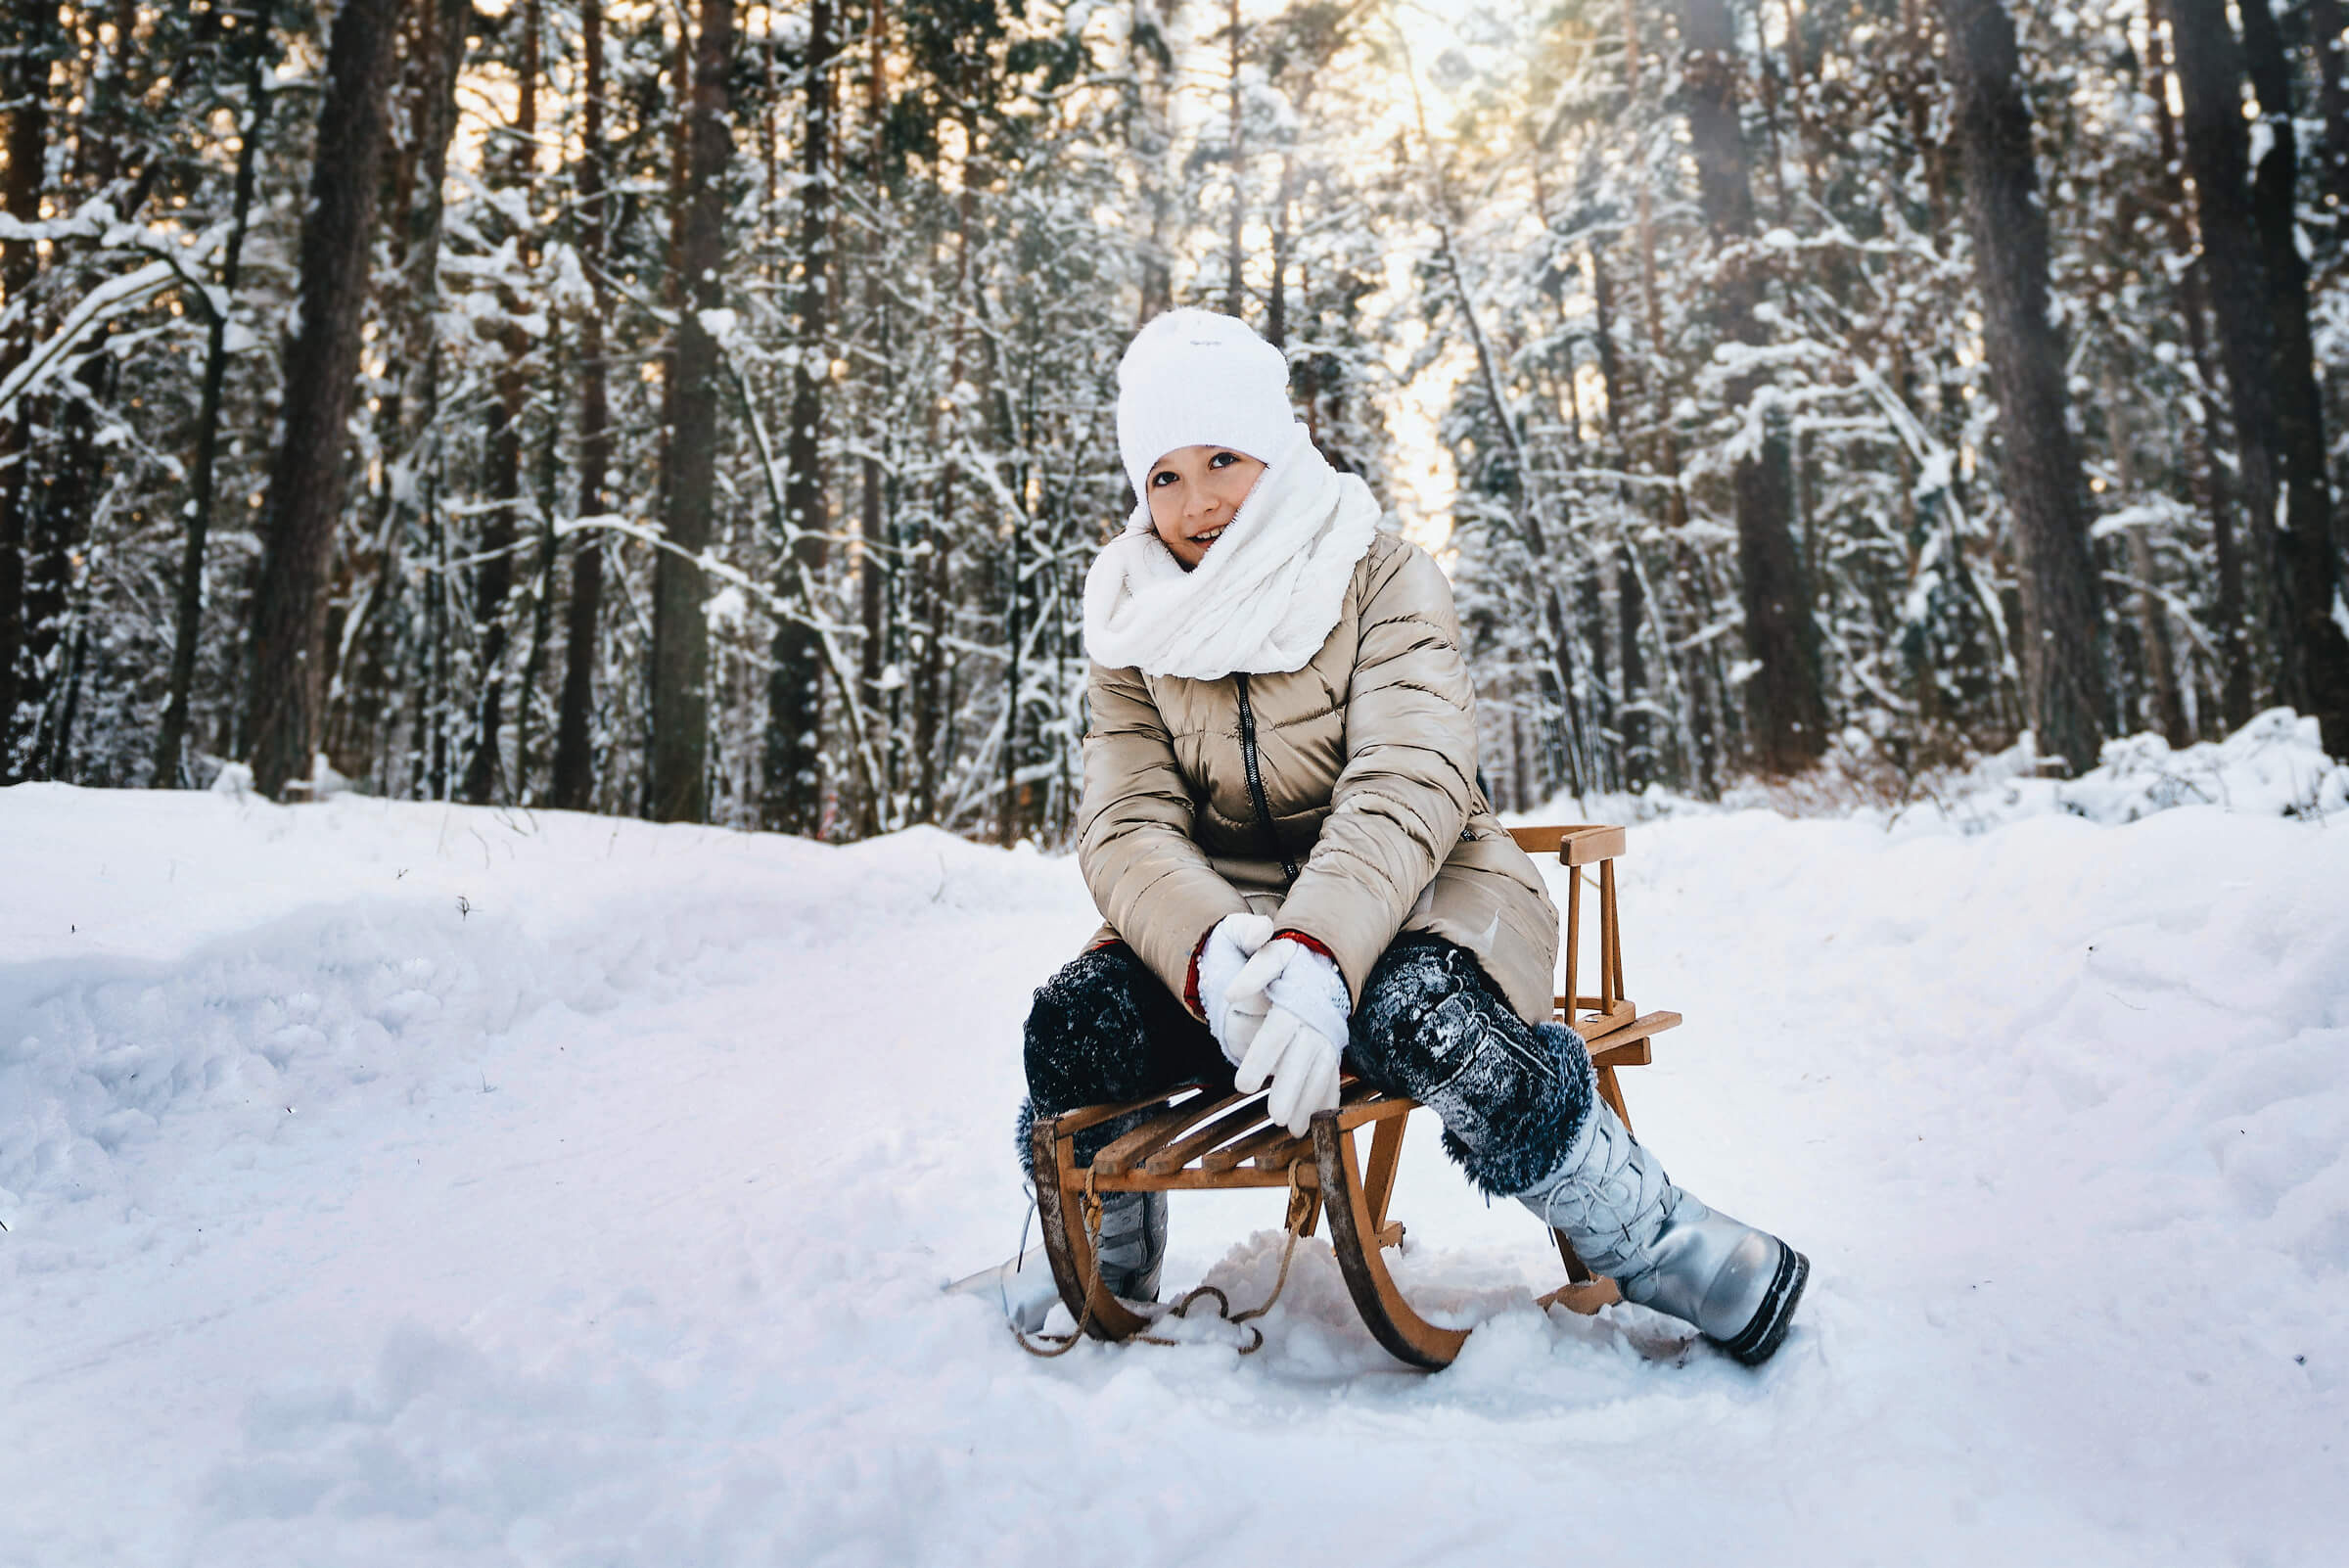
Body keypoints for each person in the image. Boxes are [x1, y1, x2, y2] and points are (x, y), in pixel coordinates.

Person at [1014, 308, 1808, 1364]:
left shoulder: (1379, 571)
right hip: (1236, 936)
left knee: (1420, 1013)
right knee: (1074, 1024)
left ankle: (1661, 1238)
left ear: (1278, 449)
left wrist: (1320, 949)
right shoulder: (1129, 626)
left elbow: (1411, 773)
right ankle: (1106, 1262)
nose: (1197, 500)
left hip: (1428, 890)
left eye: (1221, 459)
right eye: (1164, 476)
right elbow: (1124, 823)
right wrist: (1214, 951)